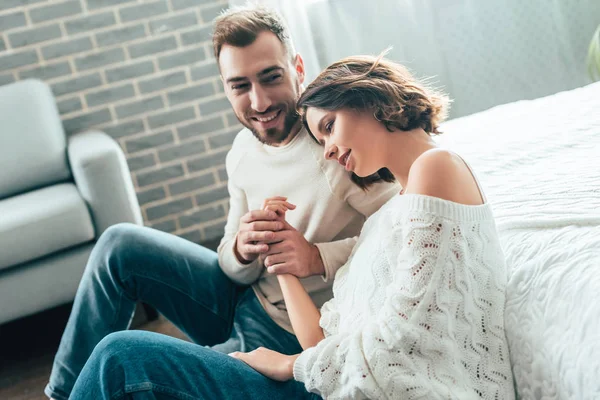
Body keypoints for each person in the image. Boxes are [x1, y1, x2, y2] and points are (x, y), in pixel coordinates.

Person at [68, 53, 516, 399]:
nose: (327, 151)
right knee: (124, 318)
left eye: (329, 126)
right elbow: (321, 337)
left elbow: (402, 337)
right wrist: (276, 257)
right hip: (322, 370)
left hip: (329, 382)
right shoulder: (389, 215)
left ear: (367, 99)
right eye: (319, 139)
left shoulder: (434, 169)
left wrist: (291, 365)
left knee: (120, 357)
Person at [44, 5, 399, 400]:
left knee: (122, 358)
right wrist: (241, 248)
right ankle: (62, 394)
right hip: (246, 302)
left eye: (271, 78)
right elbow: (230, 267)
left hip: (299, 335)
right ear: (225, 88)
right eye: (240, 86)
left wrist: (318, 258)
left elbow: (402, 237)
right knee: (119, 245)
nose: (260, 102)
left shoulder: (338, 147)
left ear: (297, 68)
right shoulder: (243, 151)